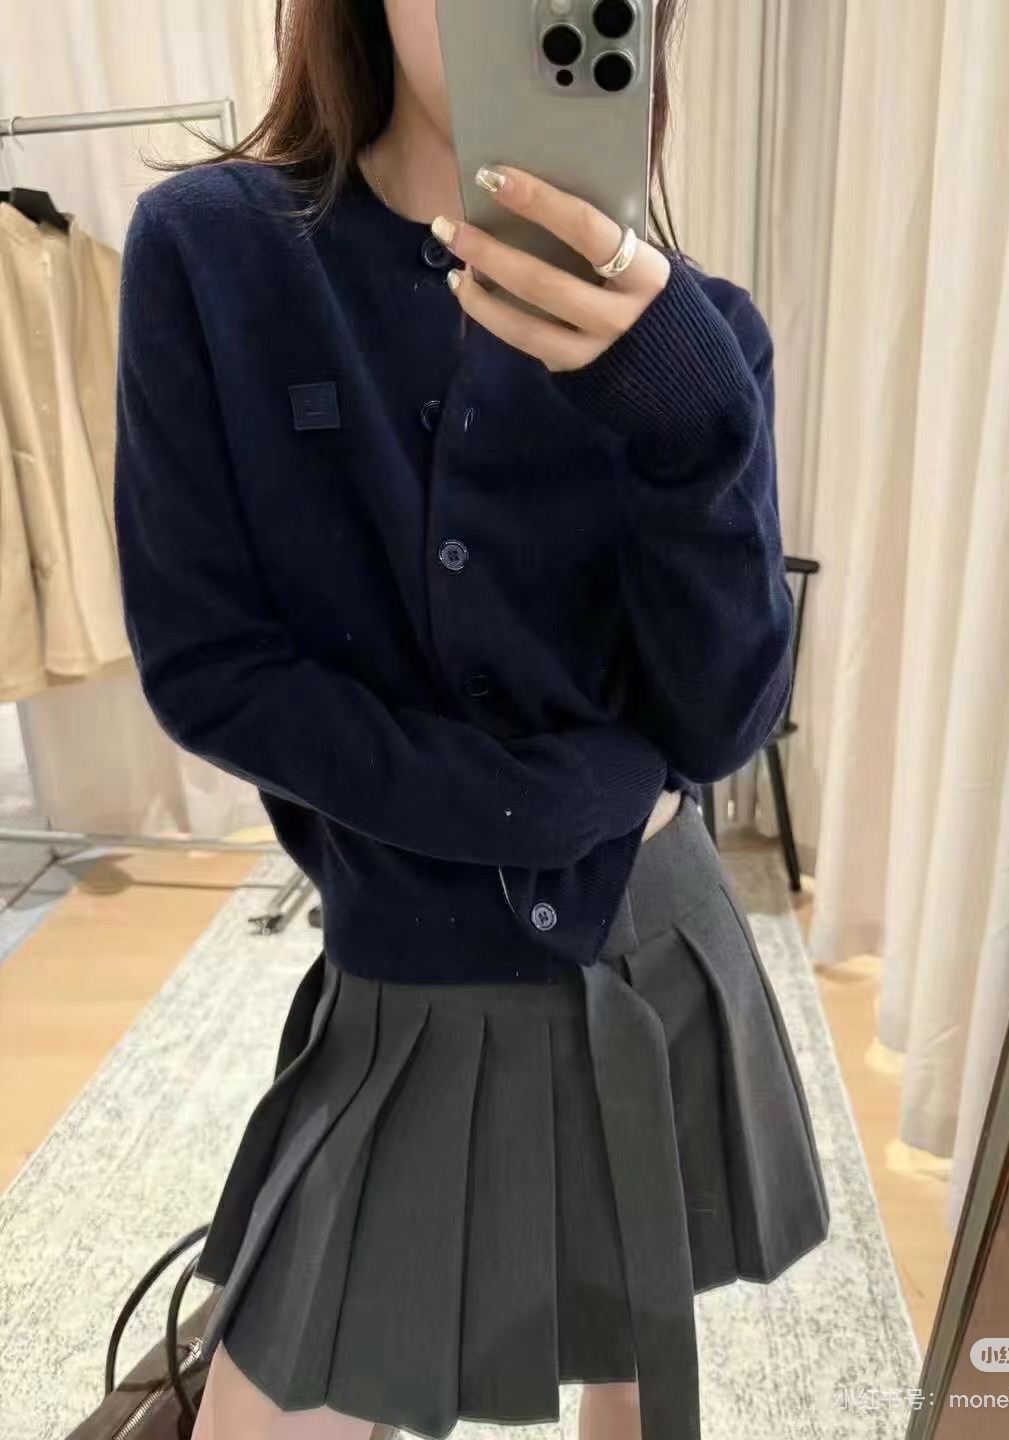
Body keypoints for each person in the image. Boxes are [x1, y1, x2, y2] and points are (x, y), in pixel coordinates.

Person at [112, 1, 830, 1436]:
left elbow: (722, 725)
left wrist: (690, 427)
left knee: (638, 1355)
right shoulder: (218, 254)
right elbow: (212, 666)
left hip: (651, 947)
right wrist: (565, 799)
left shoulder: (699, 336)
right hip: (410, 962)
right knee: (281, 1393)